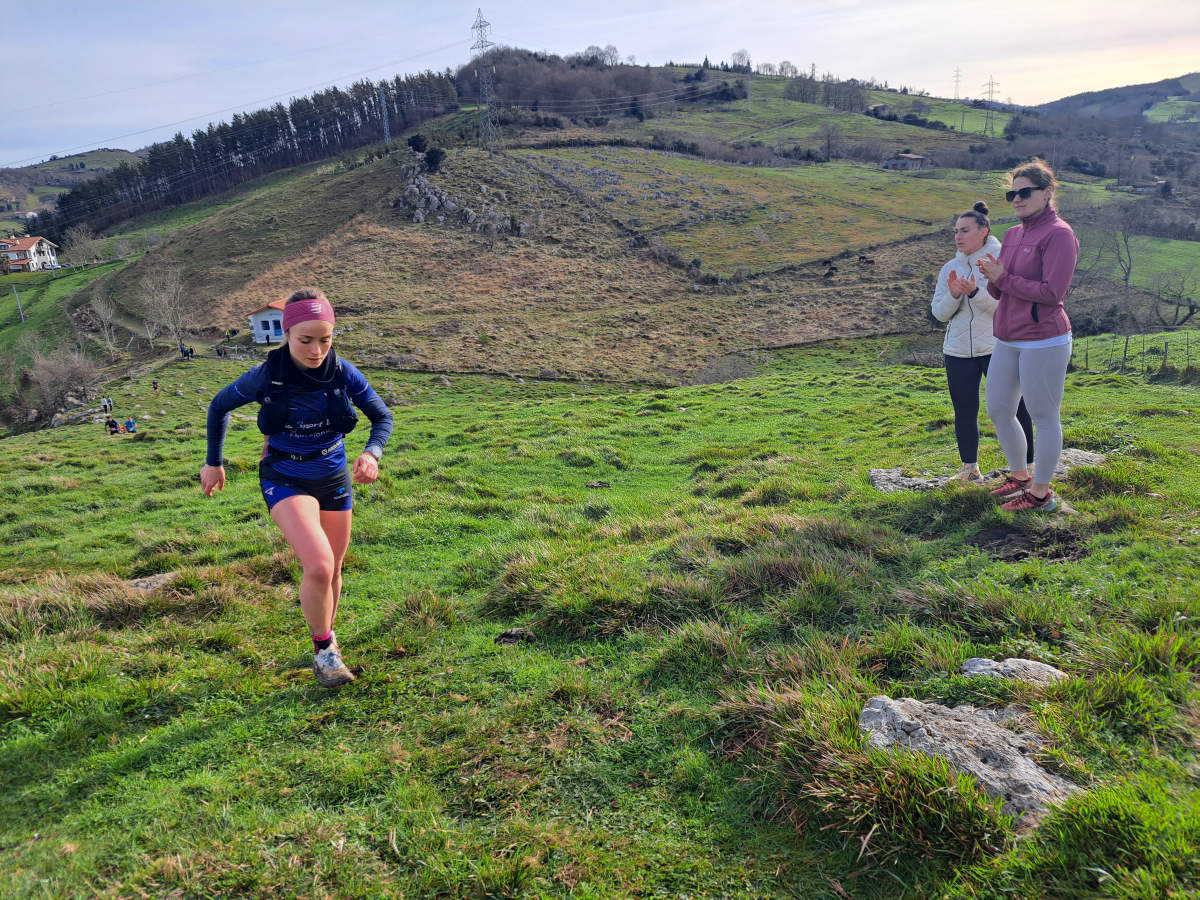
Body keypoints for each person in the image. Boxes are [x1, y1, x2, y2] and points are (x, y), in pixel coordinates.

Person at [200, 288, 393, 687]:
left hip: (334, 476)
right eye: (305, 340)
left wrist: (372, 454)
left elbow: (382, 417)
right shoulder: (265, 376)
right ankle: (324, 652)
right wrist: (214, 462)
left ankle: (328, 641)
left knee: (334, 568)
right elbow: (219, 406)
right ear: (286, 334)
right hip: (285, 476)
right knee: (319, 564)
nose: (317, 349)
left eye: (325, 339)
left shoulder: (343, 373)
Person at [978, 160, 1079, 512]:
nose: (1017, 199)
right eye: (1012, 193)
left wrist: (1002, 279)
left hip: (1044, 339)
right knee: (1000, 409)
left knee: (1043, 415)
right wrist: (993, 279)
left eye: (1025, 192)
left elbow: (1052, 293)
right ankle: (1019, 476)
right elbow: (1000, 292)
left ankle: (1040, 493)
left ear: (1047, 193)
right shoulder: (1012, 234)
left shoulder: (1060, 235)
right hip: (1008, 336)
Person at [931, 201, 1034, 482]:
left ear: (984, 231)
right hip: (957, 350)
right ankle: (969, 468)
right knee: (964, 410)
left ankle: (1029, 466)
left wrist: (975, 292)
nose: (957, 236)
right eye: (955, 231)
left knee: (1016, 408)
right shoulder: (949, 268)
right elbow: (938, 314)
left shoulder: (1003, 261)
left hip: (999, 346)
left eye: (964, 230)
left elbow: (1008, 309)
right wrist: (954, 295)